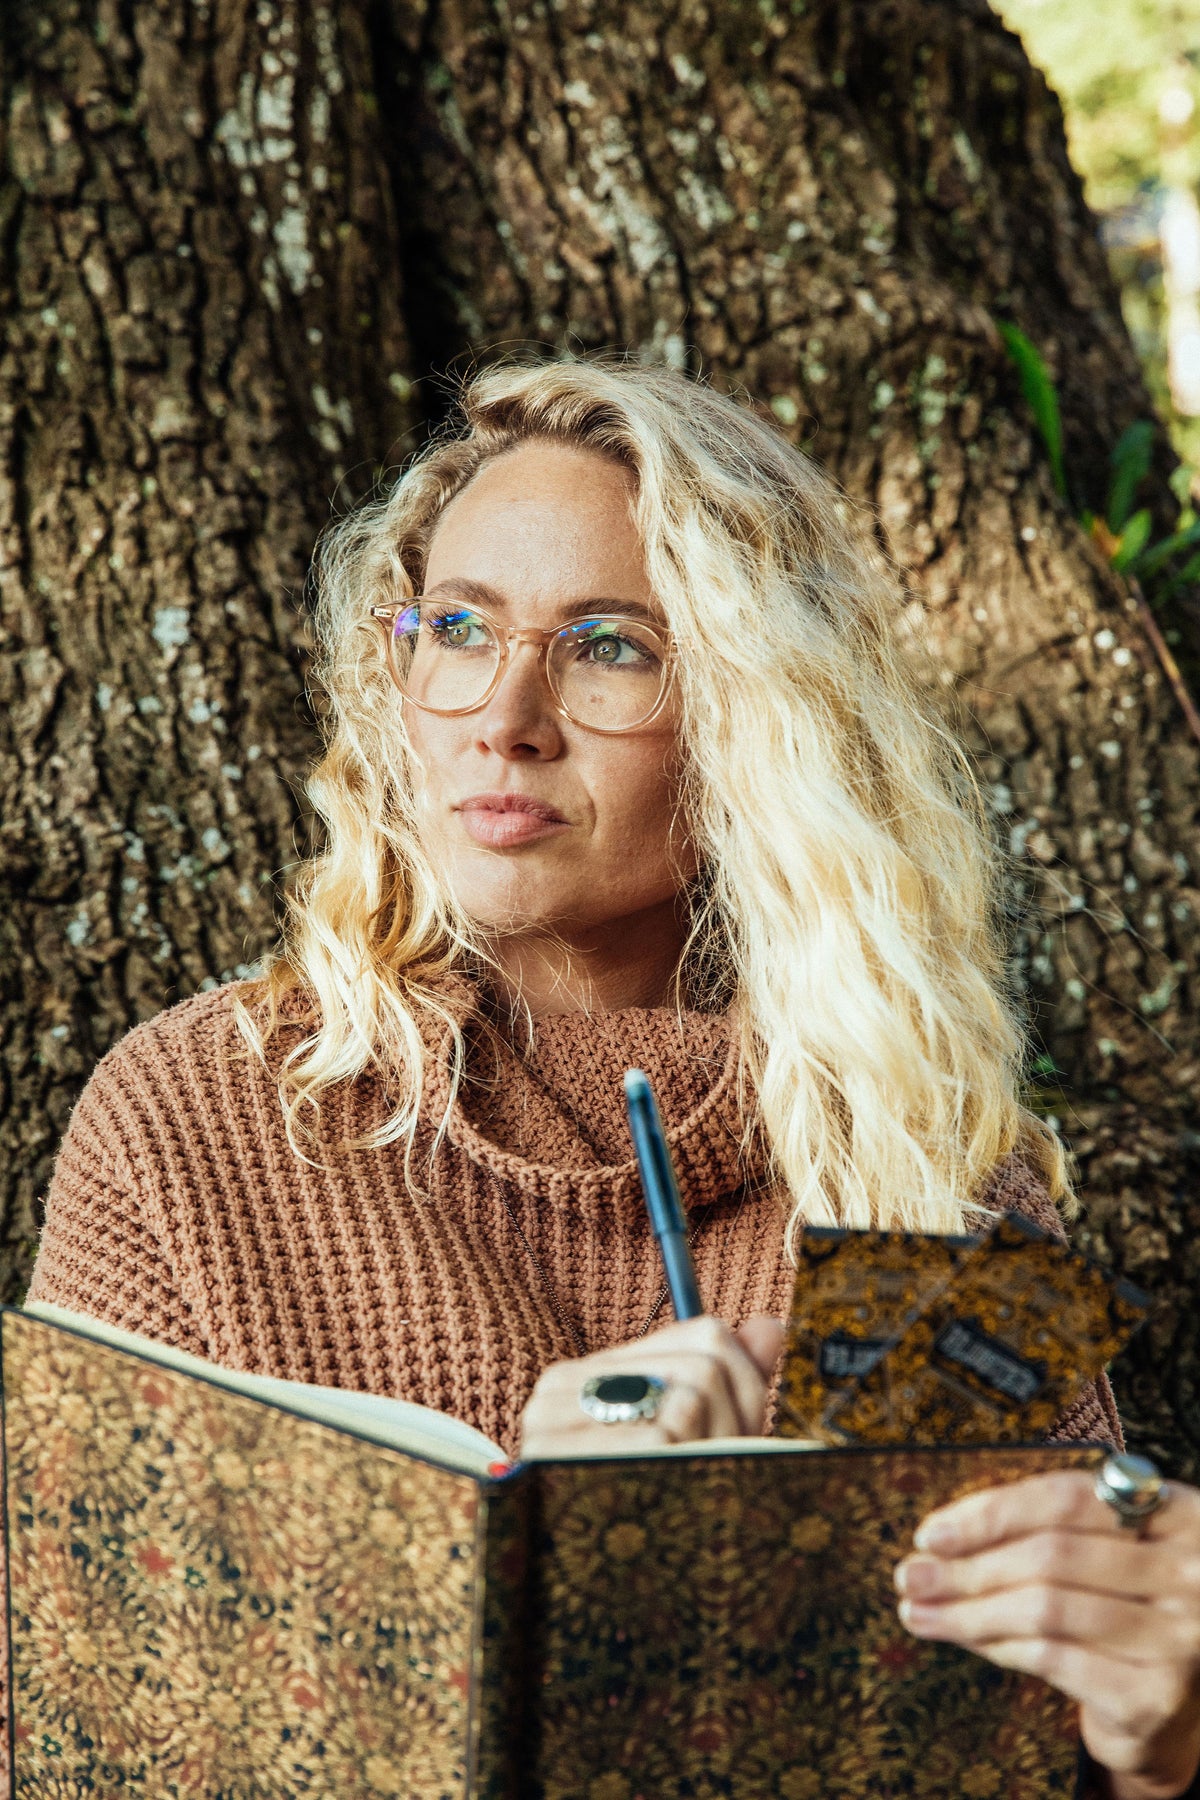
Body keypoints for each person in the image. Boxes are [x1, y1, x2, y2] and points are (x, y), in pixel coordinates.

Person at [28, 356, 1200, 1796]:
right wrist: (542, 1573)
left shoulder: (911, 1161)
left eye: (611, 647)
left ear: (760, 725)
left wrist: (1160, 1748)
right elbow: (82, 1731)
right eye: (456, 628)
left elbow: (1021, 1743)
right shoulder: (206, 1116)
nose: (504, 714)